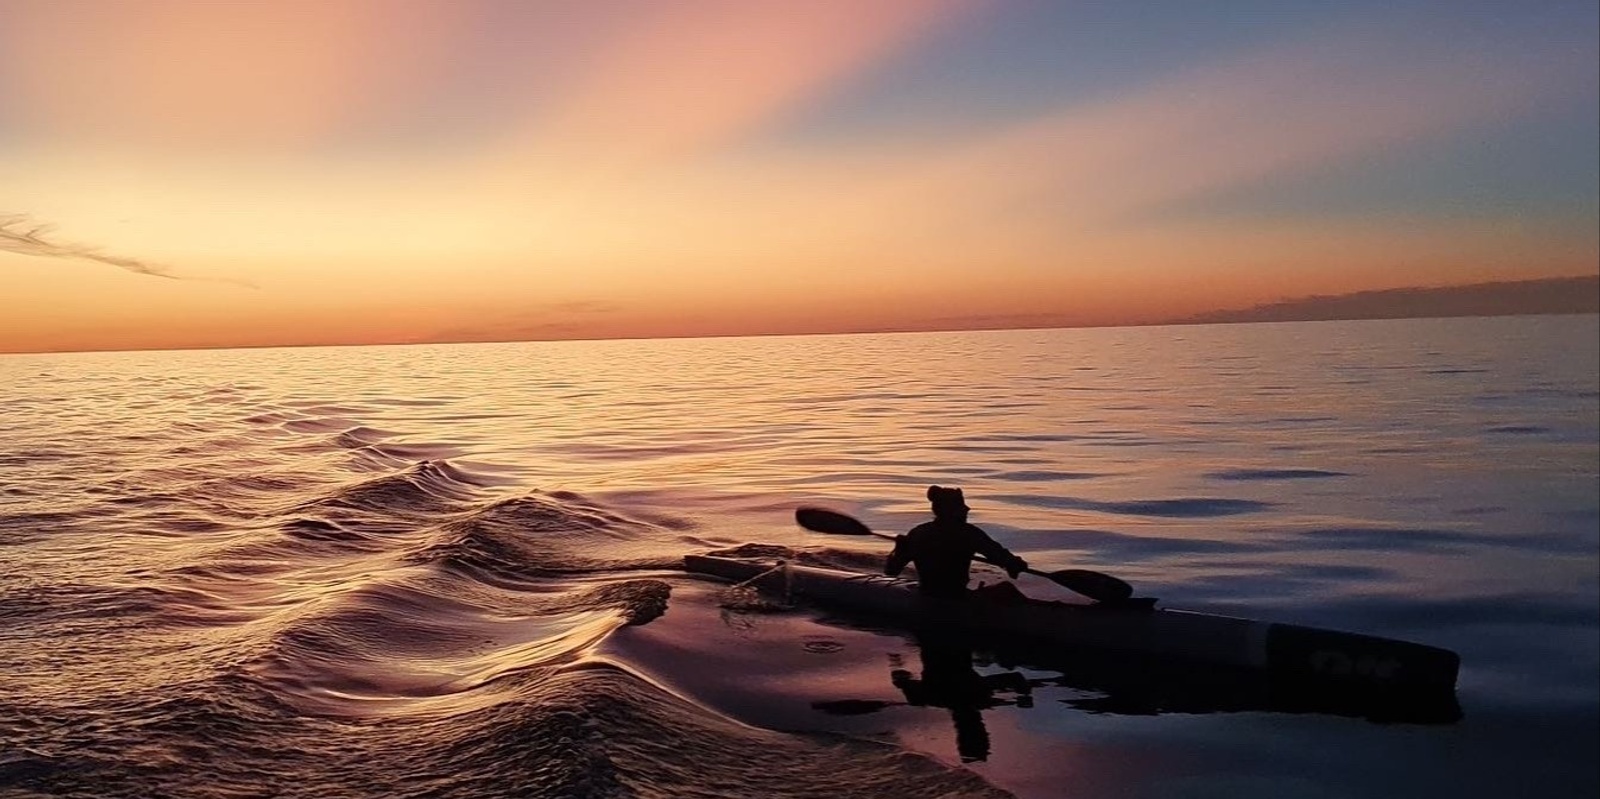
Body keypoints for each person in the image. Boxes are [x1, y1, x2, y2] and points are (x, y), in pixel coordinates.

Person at [885, 486, 1029, 599]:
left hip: (928, 594)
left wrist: (898, 550)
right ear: (950, 510)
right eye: (961, 505)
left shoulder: (918, 533)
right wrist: (1014, 564)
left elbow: (891, 570)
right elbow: (998, 554)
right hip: (956, 598)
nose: (967, 508)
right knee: (1006, 589)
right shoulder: (968, 533)